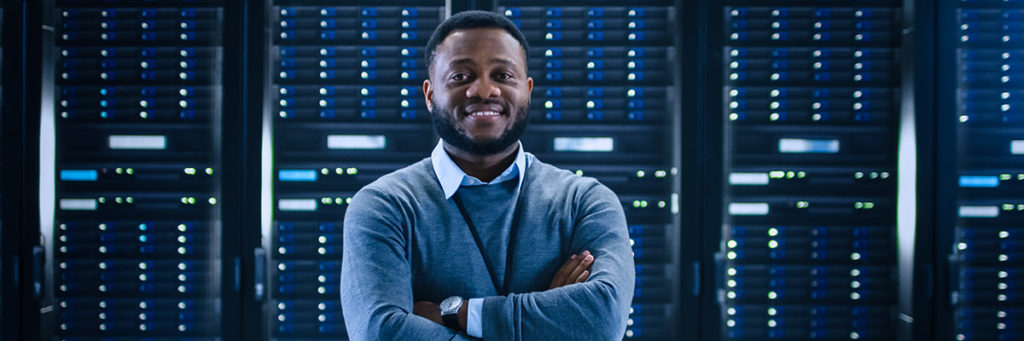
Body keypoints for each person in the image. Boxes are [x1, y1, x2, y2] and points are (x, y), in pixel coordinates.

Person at [340, 10, 635, 340]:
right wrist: (548, 322)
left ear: (527, 90)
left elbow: (602, 320)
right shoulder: (384, 207)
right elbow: (379, 332)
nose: (483, 90)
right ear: (429, 94)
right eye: (461, 77)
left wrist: (450, 314)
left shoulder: (585, 202)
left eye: (503, 75)